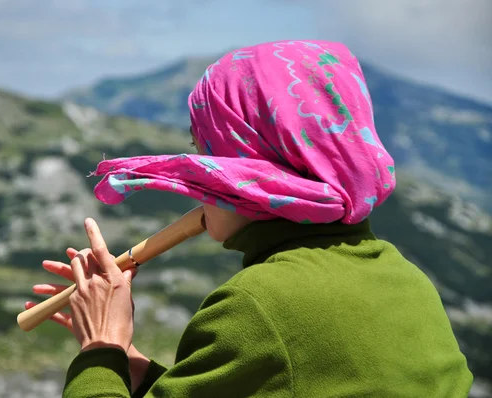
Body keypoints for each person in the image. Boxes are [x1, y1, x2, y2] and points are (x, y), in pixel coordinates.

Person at [26, 40, 473, 397]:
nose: (200, 180)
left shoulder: (255, 306)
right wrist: (129, 361)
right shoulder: (405, 278)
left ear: (252, 168)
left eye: (206, 153)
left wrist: (99, 352)